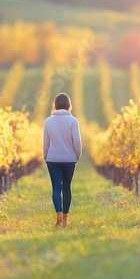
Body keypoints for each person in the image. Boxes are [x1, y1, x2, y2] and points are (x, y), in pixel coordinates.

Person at [43, 93, 82, 228]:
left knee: (56, 188)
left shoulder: (48, 122)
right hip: (69, 159)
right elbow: (77, 142)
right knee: (67, 187)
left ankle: (58, 215)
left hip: (52, 159)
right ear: (68, 105)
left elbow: (45, 144)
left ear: (55, 105)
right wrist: (77, 156)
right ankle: (65, 220)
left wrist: (46, 156)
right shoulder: (73, 121)